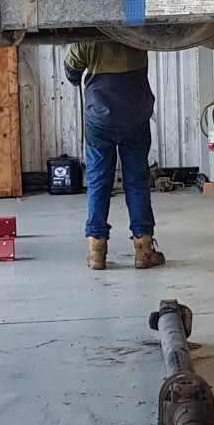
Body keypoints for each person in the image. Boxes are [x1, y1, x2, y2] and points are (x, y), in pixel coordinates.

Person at [64, 37, 165, 272]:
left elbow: (71, 72)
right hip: (135, 116)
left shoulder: (89, 35)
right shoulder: (138, 31)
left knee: (99, 182)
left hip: (100, 118)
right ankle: (144, 250)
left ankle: (97, 251)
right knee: (137, 182)